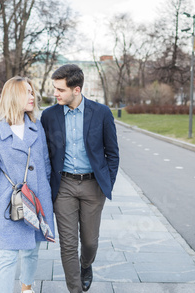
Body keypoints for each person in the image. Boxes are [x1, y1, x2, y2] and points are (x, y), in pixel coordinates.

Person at [41, 64, 119, 292]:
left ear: (76, 90)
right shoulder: (49, 116)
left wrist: (106, 183)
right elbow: (44, 152)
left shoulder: (101, 113)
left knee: (90, 242)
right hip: (63, 186)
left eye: (60, 89)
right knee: (67, 244)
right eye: (54, 88)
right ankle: (74, 289)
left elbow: (112, 154)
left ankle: (86, 265)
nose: (55, 93)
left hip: (93, 187)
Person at [0, 76, 54, 293]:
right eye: (27, 93)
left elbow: (46, 166)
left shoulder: (37, 128)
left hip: (36, 201)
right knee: (8, 255)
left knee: (31, 251)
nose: (32, 97)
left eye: (32, 92)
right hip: (8, 204)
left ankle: (26, 288)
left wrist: (48, 201)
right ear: (13, 96)